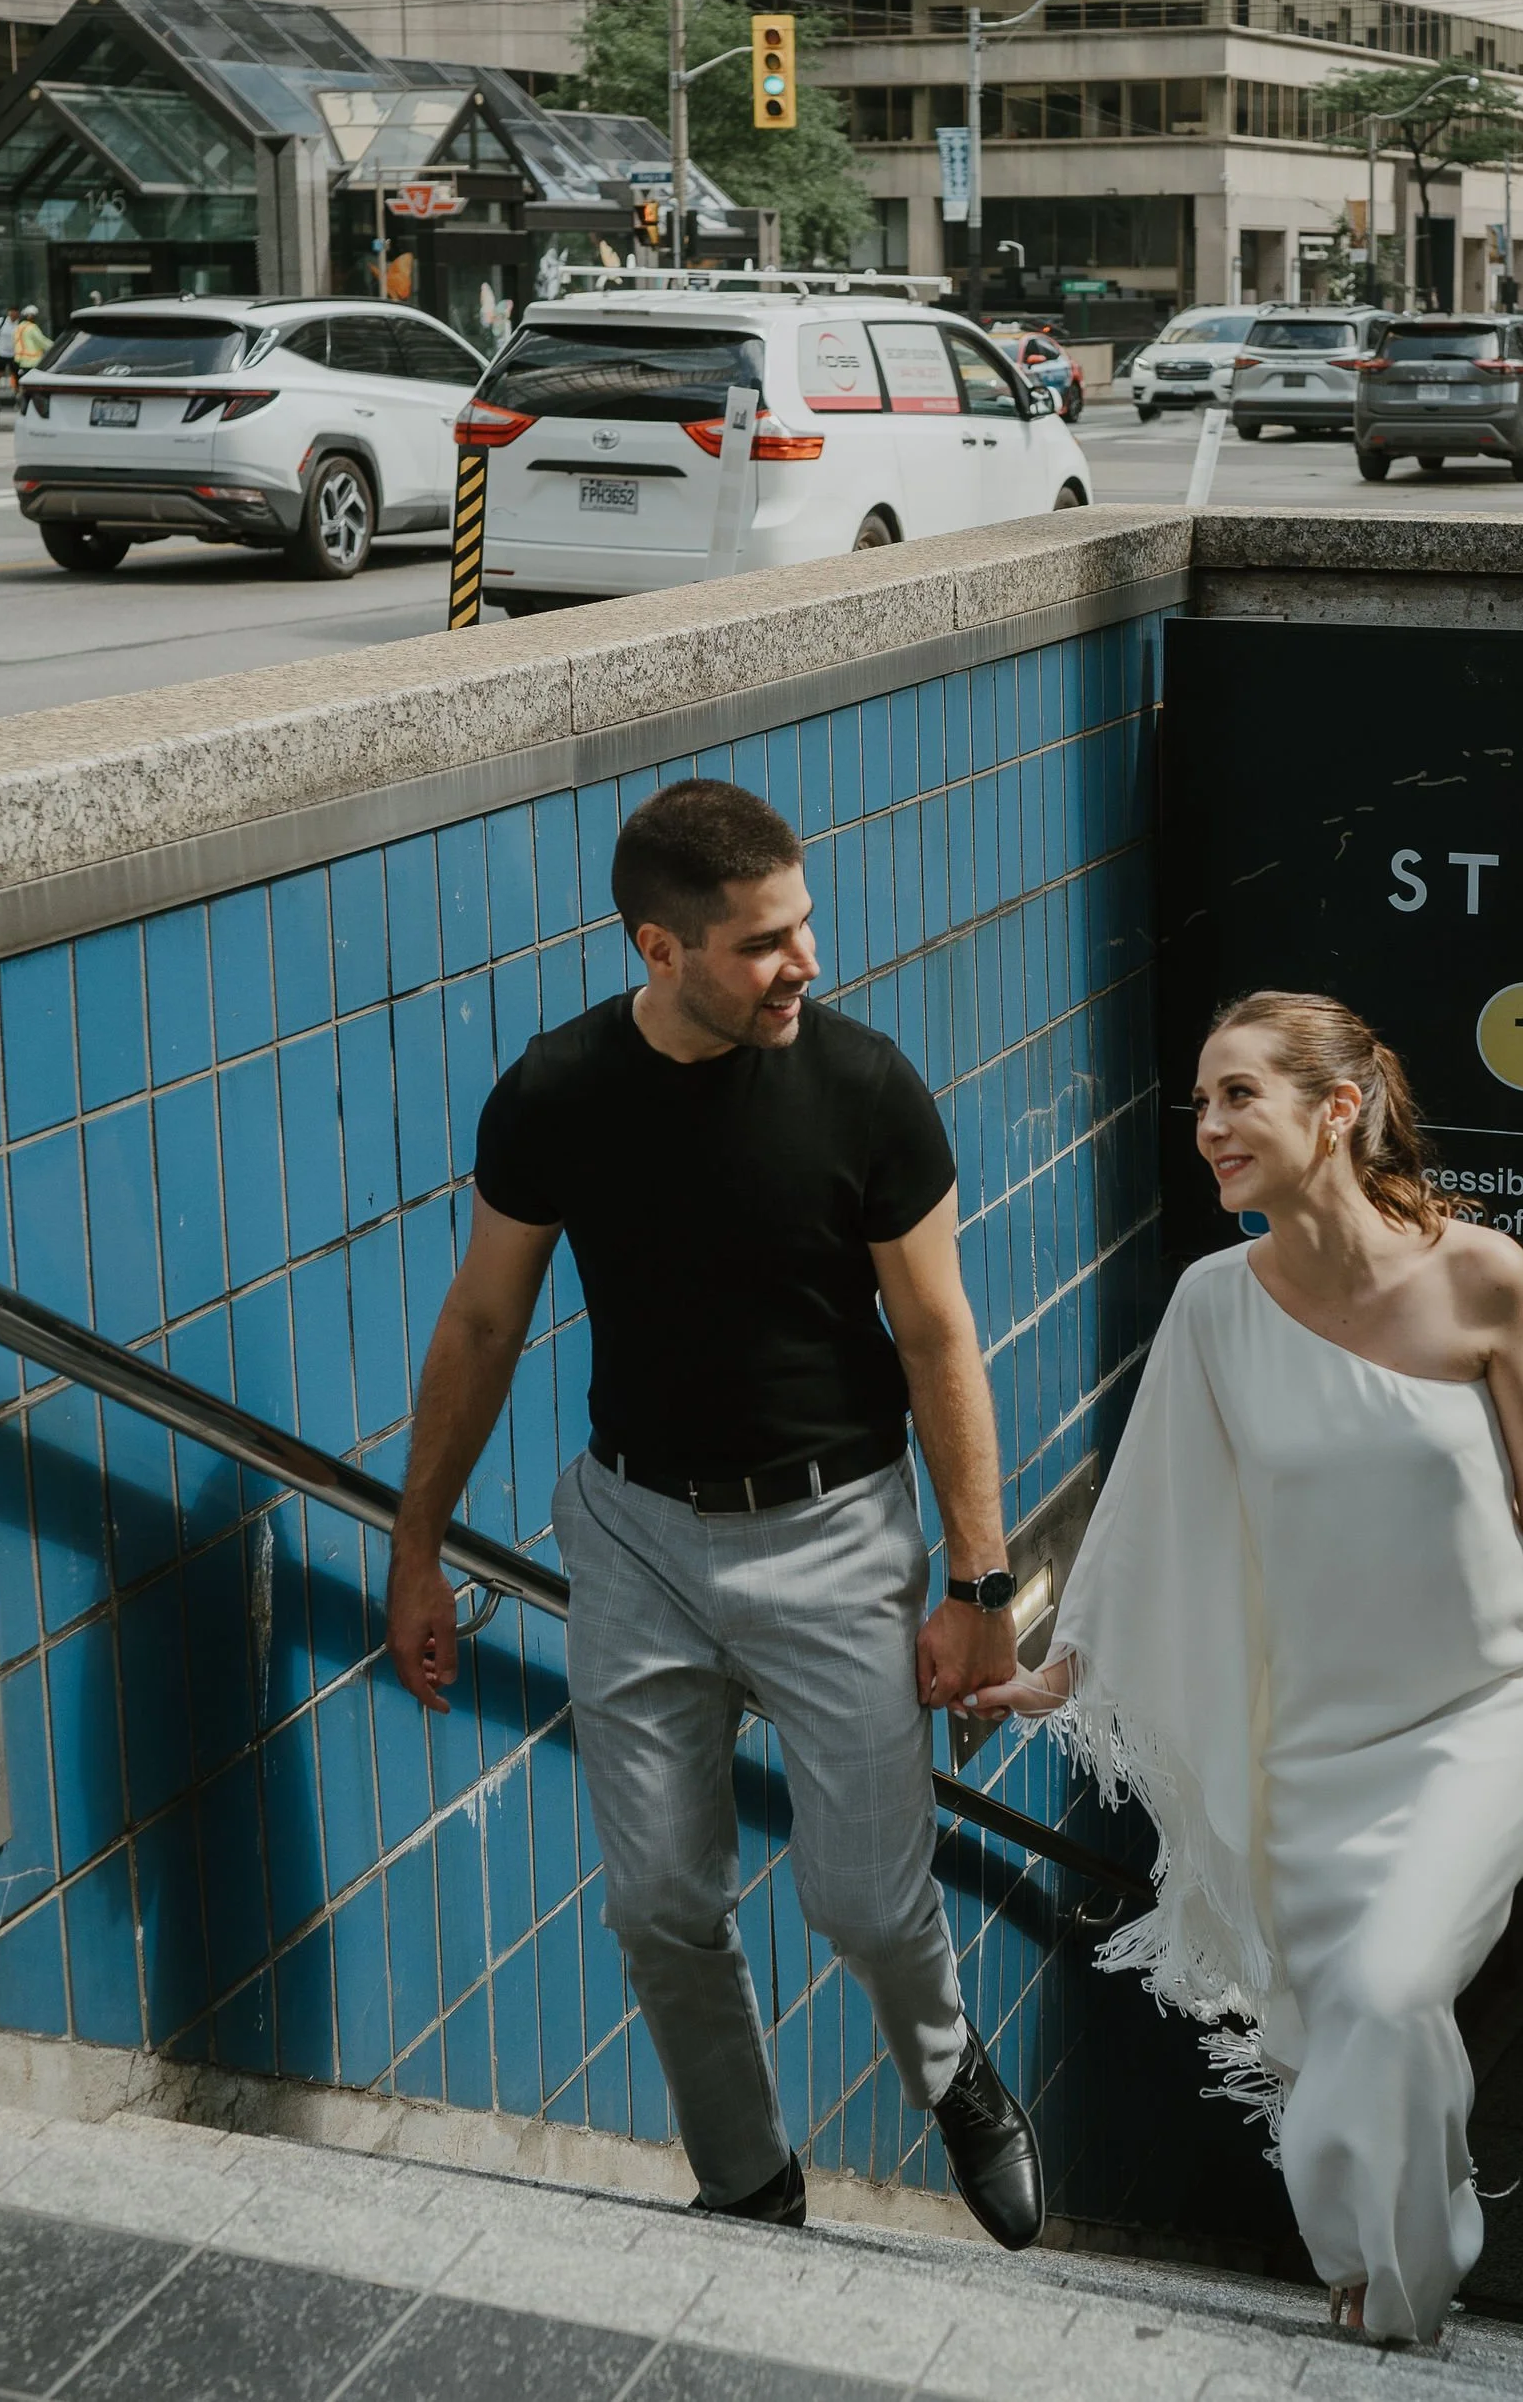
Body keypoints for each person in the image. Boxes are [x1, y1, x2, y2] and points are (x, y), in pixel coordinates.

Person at [387, 779, 1044, 2247]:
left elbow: (940, 1339)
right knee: (660, 1904)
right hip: (633, 1536)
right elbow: (484, 1322)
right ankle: (748, 2178)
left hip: (835, 1531)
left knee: (866, 1907)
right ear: (659, 947)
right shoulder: (555, 1092)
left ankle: (952, 2072)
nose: (806, 960)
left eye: (803, 924)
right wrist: (417, 1547)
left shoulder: (867, 1089)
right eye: (764, 943)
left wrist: (980, 1589)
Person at [970, 991, 1523, 2344]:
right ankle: (1363, 2256)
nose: (1210, 1126)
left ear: (1336, 1108)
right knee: (1329, 2026)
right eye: (1200, 1102)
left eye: (1240, 1094)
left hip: (1490, 1704)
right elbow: (1149, 1517)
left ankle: (1412, 2287)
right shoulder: (1212, 1306)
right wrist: (1063, 1673)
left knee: (1393, 1986)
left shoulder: (1483, 1275)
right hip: (1309, 1736)